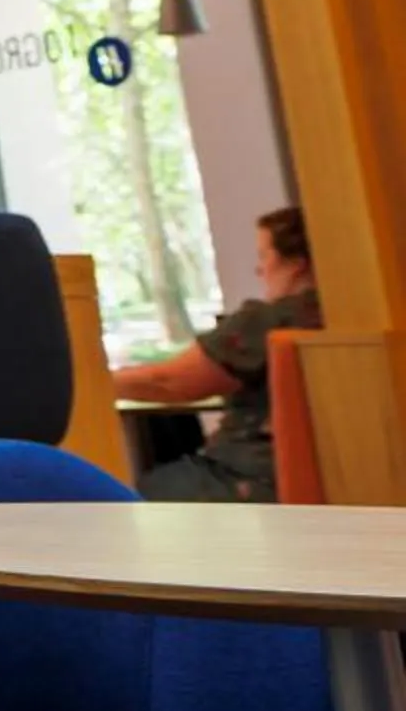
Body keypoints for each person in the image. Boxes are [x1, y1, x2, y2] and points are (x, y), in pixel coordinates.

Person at [113, 207, 320, 502]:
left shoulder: (269, 321)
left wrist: (95, 381)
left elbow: (168, 382)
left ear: (297, 264)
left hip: (246, 477)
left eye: (264, 256)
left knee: (121, 498)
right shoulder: (339, 316)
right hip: (298, 477)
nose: (259, 270)